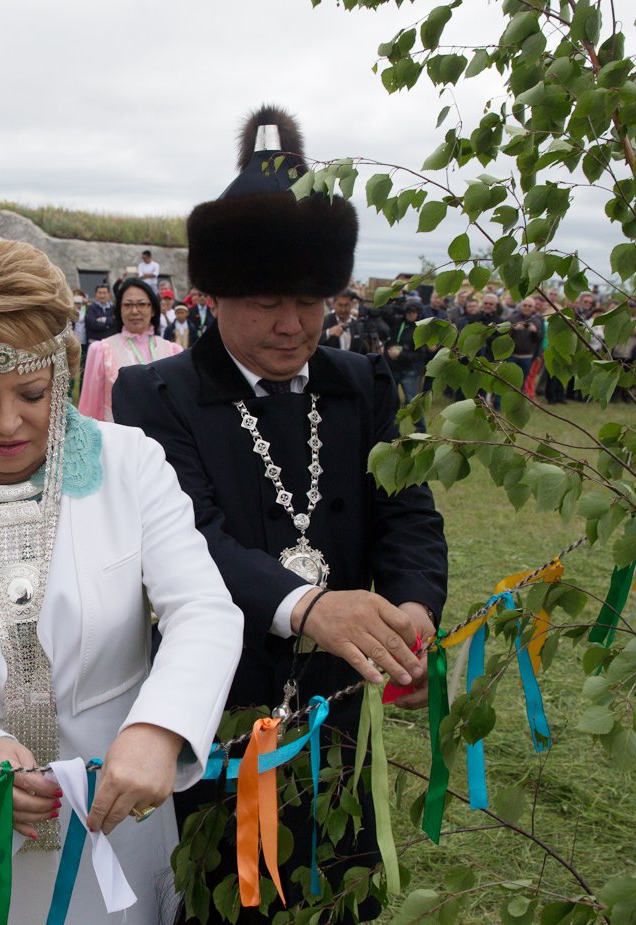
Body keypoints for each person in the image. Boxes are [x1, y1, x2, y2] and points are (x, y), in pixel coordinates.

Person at [113, 104, 447, 923]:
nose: (293, 325)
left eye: (311, 300)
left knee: (338, 873)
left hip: (339, 690)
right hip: (220, 694)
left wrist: (413, 607)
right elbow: (191, 538)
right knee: (227, 891)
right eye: (267, 302)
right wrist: (308, 606)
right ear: (214, 294)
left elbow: (407, 510)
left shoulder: (362, 382)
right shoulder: (155, 394)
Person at [0, 234, 242, 923]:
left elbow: (203, 610)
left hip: (115, 806)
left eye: (33, 394)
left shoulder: (131, 463)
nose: (8, 422)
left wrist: (158, 728)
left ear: (63, 376)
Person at [77, 276, 183, 422]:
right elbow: (89, 412)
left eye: (141, 304)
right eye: (127, 305)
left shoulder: (173, 351)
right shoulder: (101, 350)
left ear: (153, 309)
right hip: (117, 434)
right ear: (119, 310)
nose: (134, 311)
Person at [386, 300, 429, 431]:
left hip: (410, 371)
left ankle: (421, 430)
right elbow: (386, 314)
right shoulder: (398, 324)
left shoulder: (420, 330)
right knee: (391, 401)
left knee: (412, 402)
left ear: (418, 313)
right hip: (393, 368)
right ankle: (391, 429)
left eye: (413, 312)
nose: (410, 314)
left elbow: (420, 355)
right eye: (408, 312)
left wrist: (401, 355)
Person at [82, 281, 119, 346]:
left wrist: (104, 320)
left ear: (109, 294)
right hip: (94, 343)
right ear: (96, 294)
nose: (102, 295)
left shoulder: (113, 308)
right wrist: (109, 325)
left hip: (111, 343)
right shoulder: (90, 308)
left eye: (104, 293)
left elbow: (116, 322)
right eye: (100, 293)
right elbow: (92, 325)